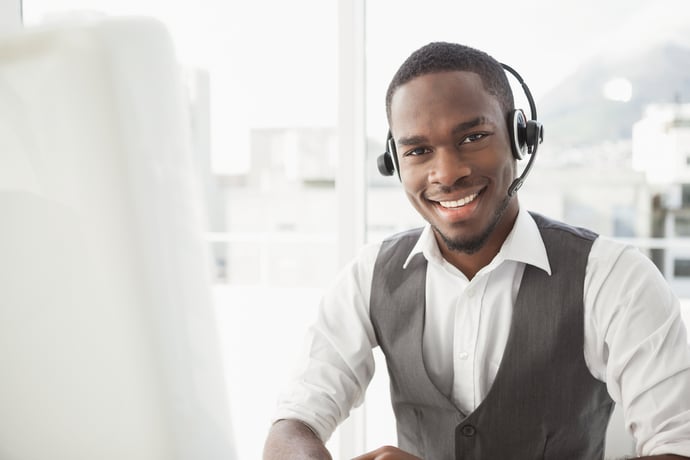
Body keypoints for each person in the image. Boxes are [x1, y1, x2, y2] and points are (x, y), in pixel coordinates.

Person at [262, 42, 690, 459]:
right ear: (396, 162)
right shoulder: (370, 275)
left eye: (473, 137)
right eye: (418, 150)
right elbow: (293, 424)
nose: (446, 174)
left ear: (521, 139)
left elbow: (679, 447)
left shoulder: (614, 277)